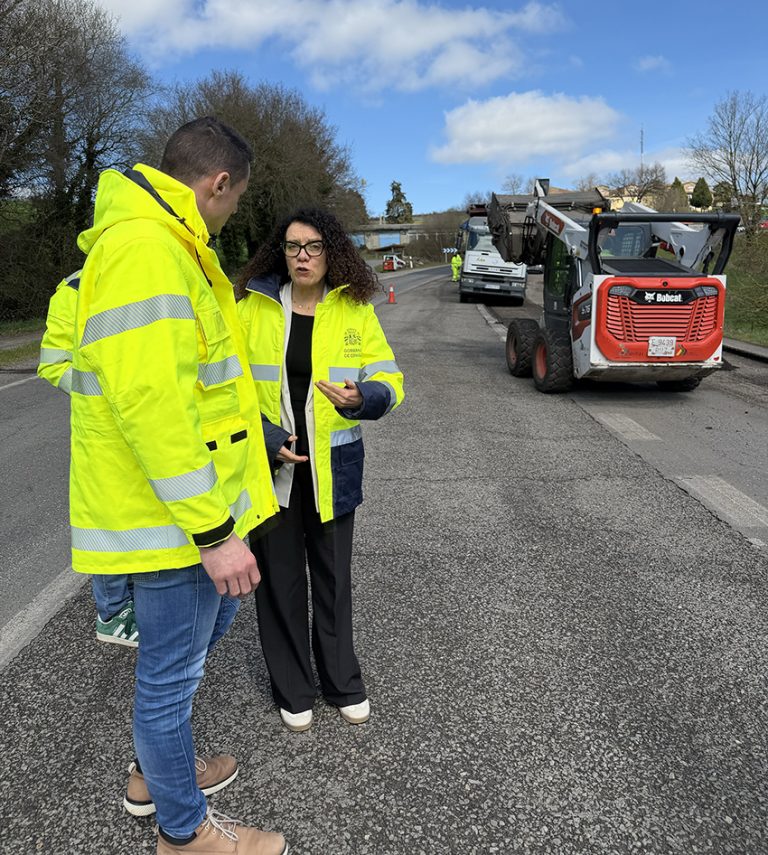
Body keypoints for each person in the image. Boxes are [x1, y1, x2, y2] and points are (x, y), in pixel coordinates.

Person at [70, 117, 287, 855]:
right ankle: (184, 831)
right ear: (218, 183)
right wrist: (214, 531)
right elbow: (154, 407)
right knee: (168, 680)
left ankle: (153, 775)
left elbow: (194, 390)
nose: (230, 214)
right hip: (173, 521)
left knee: (189, 655)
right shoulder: (148, 250)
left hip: (185, 511)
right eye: (234, 200)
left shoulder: (160, 245)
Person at [236, 207, 404, 733]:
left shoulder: (354, 309)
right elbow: (227, 388)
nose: (302, 256)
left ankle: (341, 682)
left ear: (333, 253)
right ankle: (293, 687)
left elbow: (388, 376)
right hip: (273, 469)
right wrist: (265, 439)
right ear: (280, 254)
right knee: (279, 582)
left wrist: (365, 396)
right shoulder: (254, 309)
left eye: (312, 246)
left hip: (334, 470)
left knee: (333, 581)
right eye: (292, 247)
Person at [38, 270, 138, 647]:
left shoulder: (150, 270)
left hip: (150, 422)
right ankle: (111, 613)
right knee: (108, 522)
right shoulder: (77, 287)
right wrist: (105, 397)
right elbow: (53, 362)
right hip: (104, 432)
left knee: (139, 518)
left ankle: (128, 600)